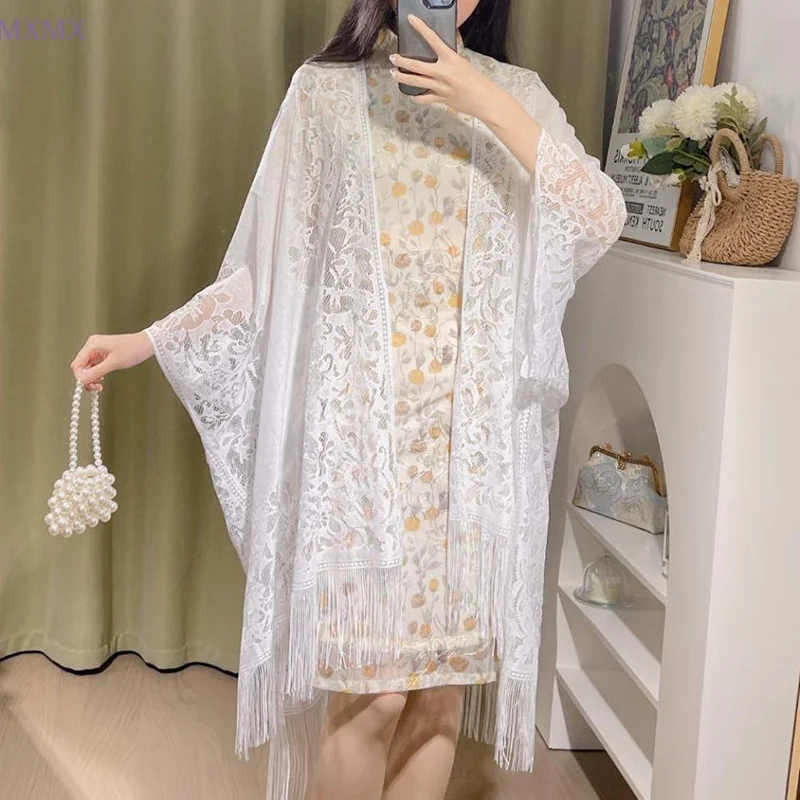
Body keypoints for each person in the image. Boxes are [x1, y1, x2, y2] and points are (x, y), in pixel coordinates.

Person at [71, 1, 626, 798]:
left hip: (471, 465)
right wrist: (150, 339)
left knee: (438, 698)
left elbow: (601, 214)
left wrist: (487, 102)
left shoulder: (519, 95)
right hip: (363, 456)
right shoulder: (324, 94)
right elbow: (268, 272)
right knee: (373, 698)